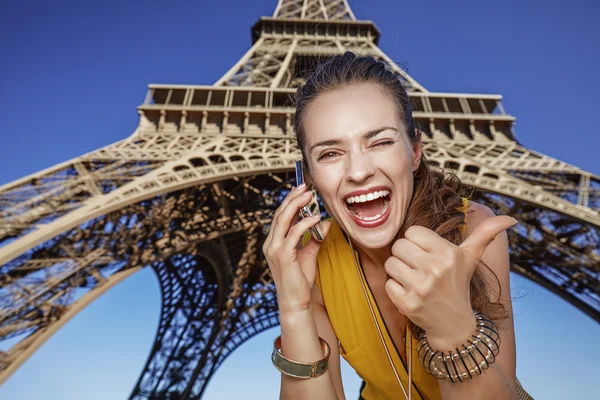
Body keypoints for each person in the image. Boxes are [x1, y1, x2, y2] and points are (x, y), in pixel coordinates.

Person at [263, 52, 523, 400]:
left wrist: (452, 328)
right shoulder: (317, 263)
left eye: (382, 142)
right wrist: (294, 308)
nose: (358, 171)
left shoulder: (471, 230)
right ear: (308, 178)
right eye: (329, 154)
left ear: (415, 151)